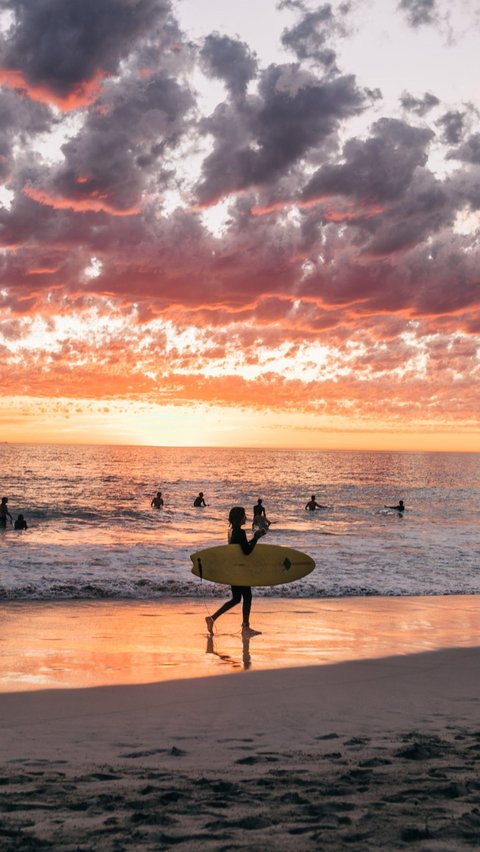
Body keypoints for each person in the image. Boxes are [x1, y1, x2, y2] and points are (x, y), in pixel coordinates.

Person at [205, 506, 265, 636]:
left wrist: (255, 538)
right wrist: (255, 538)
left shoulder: (231, 532)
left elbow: (241, 547)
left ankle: (212, 619)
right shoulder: (240, 533)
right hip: (240, 571)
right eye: (244, 515)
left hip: (233, 569)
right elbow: (247, 551)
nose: (246, 517)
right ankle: (245, 627)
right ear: (239, 518)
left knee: (237, 598)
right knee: (247, 596)